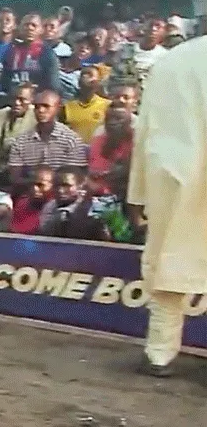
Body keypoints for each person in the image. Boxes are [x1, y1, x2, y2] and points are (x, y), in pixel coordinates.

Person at [125, 36, 206, 377]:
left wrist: (137, 193)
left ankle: (159, 354)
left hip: (173, 173)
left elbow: (145, 130)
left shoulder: (171, 62)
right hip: (178, 169)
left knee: (167, 262)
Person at [7, 90, 87, 189]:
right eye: (37, 107)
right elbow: (15, 178)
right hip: (30, 192)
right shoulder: (21, 141)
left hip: (62, 192)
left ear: (58, 109)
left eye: (46, 106)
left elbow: (75, 178)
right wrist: (39, 183)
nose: (41, 110)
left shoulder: (71, 140)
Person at [87, 104, 133, 196]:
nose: (112, 122)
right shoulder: (98, 141)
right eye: (108, 119)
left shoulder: (137, 142)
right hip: (98, 196)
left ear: (129, 121)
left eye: (118, 118)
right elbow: (89, 174)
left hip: (126, 194)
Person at [62, 66, 110, 143]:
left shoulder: (107, 106)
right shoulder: (67, 107)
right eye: (84, 75)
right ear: (78, 82)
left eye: (90, 75)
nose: (86, 77)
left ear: (98, 82)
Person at [10, 165, 54, 235]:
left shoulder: (56, 208)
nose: (35, 189)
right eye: (32, 184)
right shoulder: (22, 203)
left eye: (41, 185)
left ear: (52, 186)